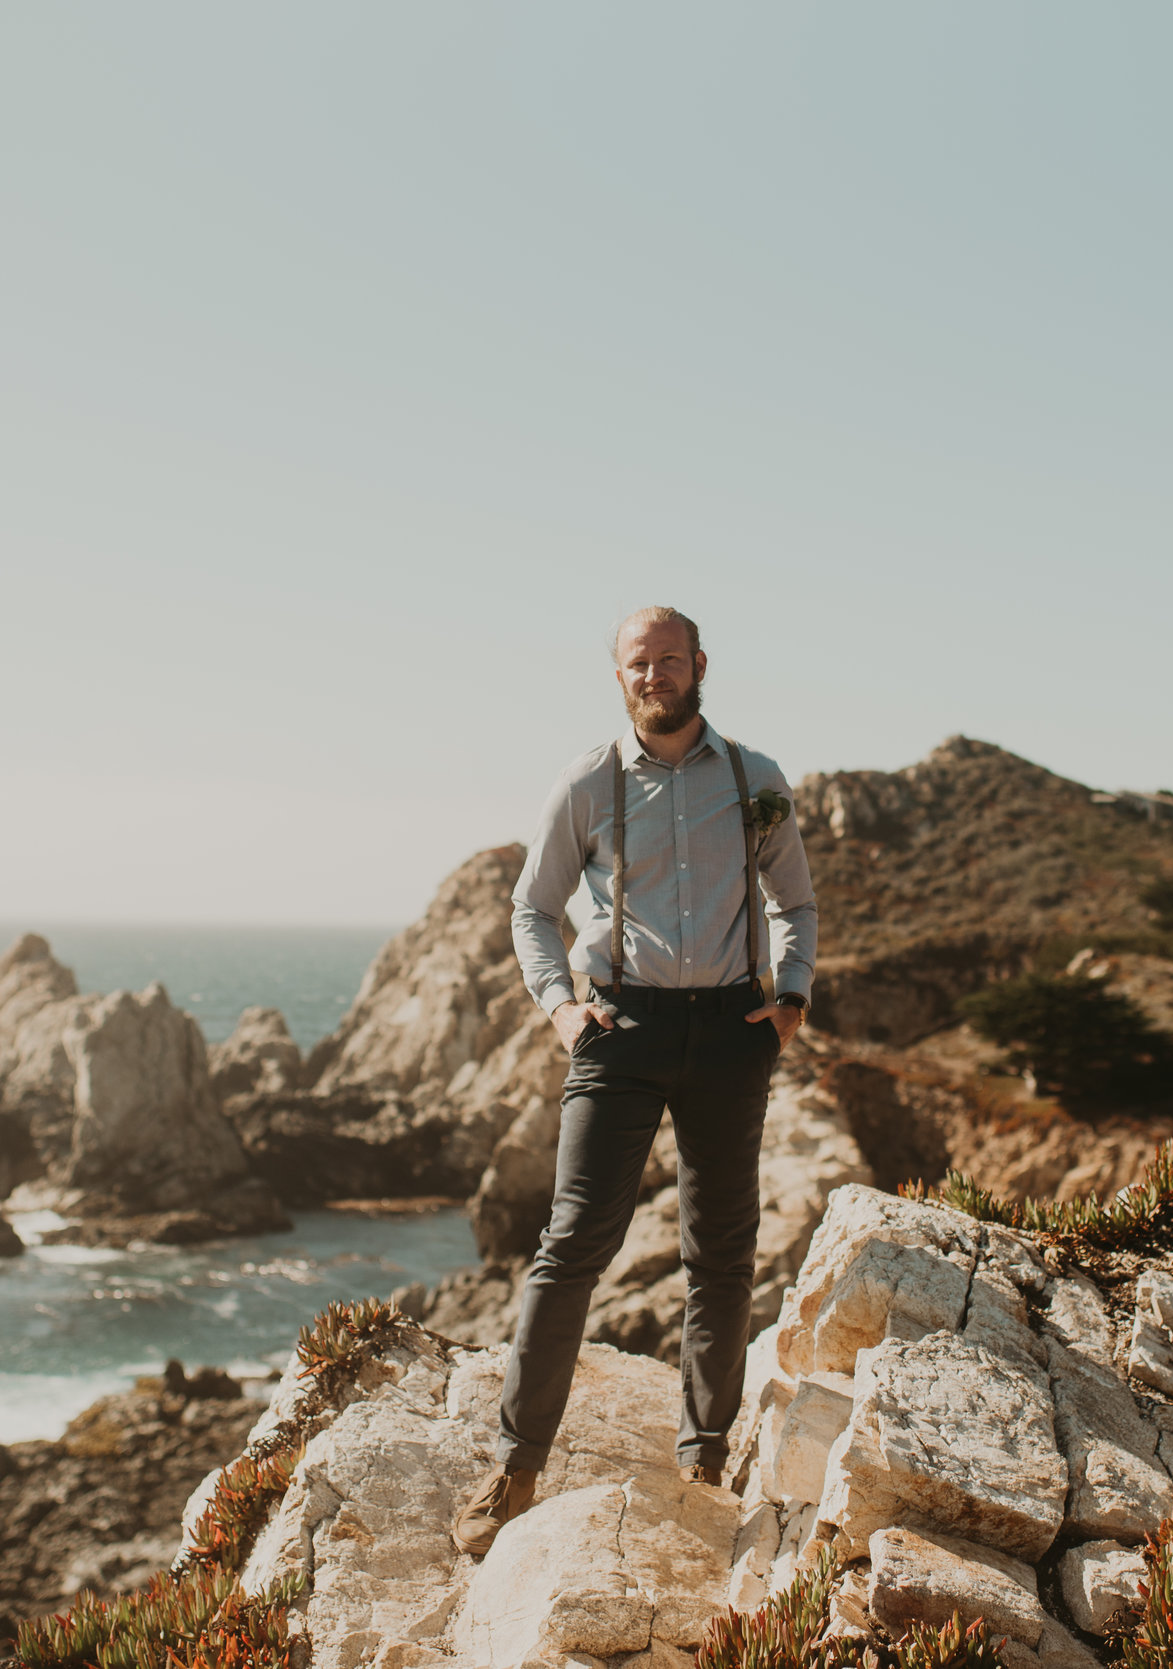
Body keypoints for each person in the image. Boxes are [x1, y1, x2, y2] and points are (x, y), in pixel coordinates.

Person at [451, 605, 818, 1557]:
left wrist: (791, 1000)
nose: (653, 675)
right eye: (636, 664)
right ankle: (515, 1464)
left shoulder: (756, 779)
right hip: (620, 1025)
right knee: (572, 1241)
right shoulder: (588, 780)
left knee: (723, 1250)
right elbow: (532, 908)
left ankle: (702, 1456)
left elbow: (795, 900)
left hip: (733, 1029)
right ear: (619, 677)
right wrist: (562, 1007)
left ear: (700, 665)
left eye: (668, 660)